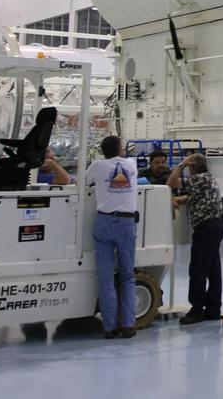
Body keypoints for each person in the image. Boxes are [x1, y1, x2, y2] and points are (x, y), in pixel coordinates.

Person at [85, 135, 140, 339]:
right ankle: (128, 324)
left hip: (104, 222)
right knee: (127, 275)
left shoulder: (97, 166)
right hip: (126, 224)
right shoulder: (131, 164)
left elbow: (83, 182)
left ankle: (109, 327)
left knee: (105, 277)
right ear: (119, 149)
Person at [169, 153, 223, 325]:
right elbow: (193, 198)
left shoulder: (198, 179)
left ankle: (197, 310)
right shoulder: (207, 179)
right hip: (215, 227)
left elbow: (171, 182)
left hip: (206, 230)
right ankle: (213, 309)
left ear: (192, 166)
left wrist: (181, 165)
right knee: (213, 271)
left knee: (197, 271)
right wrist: (176, 200)